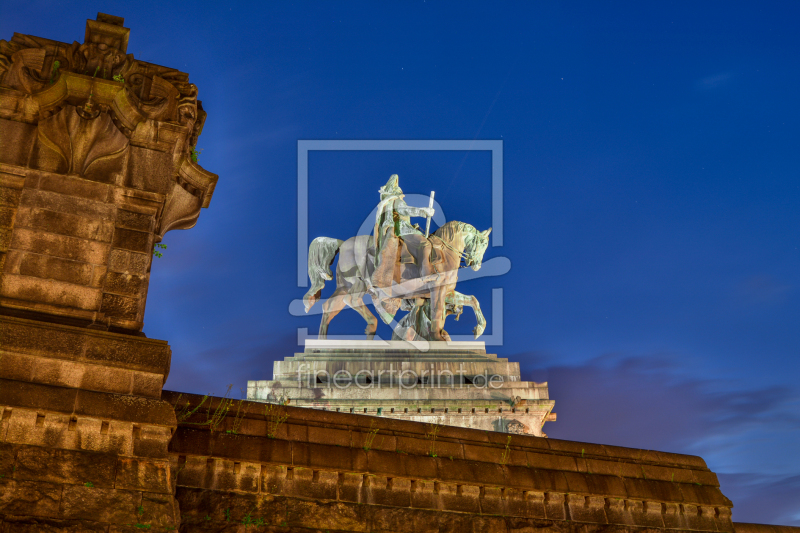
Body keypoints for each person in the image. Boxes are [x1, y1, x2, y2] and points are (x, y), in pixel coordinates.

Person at [369, 174, 435, 323]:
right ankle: (427, 274)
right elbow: (406, 211)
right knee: (425, 244)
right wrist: (424, 212)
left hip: (403, 230)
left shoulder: (387, 204)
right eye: (399, 190)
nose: (401, 192)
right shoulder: (396, 202)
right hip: (403, 230)